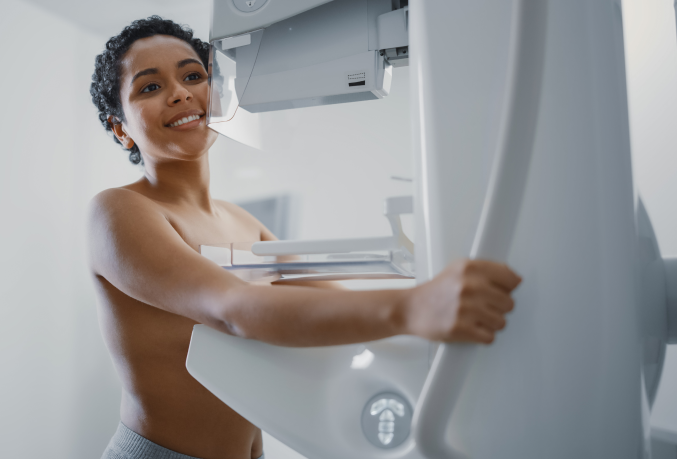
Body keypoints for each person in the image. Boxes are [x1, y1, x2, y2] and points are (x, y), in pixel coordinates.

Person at [89, 16, 521, 459]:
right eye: (149, 87)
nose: (180, 92)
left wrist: (438, 299)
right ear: (121, 128)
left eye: (193, 75)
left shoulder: (240, 220)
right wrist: (414, 307)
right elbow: (234, 311)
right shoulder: (119, 211)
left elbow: (327, 300)